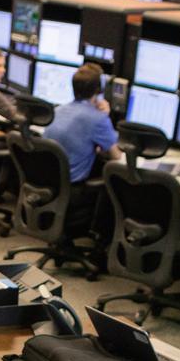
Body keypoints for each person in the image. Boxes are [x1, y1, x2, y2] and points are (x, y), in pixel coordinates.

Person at [43, 65, 121, 246]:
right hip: (72, 192)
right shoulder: (97, 118)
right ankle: (102, 244)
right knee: (114, 179)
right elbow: (116, 156)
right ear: (98, 90)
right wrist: (105, 116)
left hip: (49, 186)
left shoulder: (57, 110)